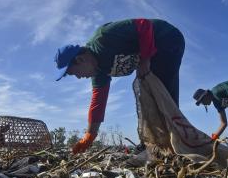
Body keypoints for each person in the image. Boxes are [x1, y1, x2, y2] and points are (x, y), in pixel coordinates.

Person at [55, 18, 185, 154]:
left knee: (162, 94)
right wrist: (90, 136)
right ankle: (158, 144)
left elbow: (143, 25)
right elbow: (98, 102)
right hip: (152, 57)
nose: (78, 77)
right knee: (150, 97)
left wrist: (145, 59)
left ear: (80, 59)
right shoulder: (99, 72)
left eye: (73, 72)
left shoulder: (103, 37)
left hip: (166, 38)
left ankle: (175, 143)